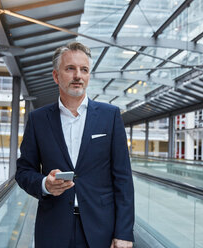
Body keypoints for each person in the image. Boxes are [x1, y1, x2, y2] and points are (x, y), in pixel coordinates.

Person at [15, 41, 134, 248]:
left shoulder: (110, 116)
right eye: (70, 68)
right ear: (56, 76)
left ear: (88, 76)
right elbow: (24, 170)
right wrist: (45, 185)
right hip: (53, 228)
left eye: (84, 70)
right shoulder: (38, 120)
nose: (78, 75)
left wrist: (124, 232)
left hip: (101, 229)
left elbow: (123, 178)